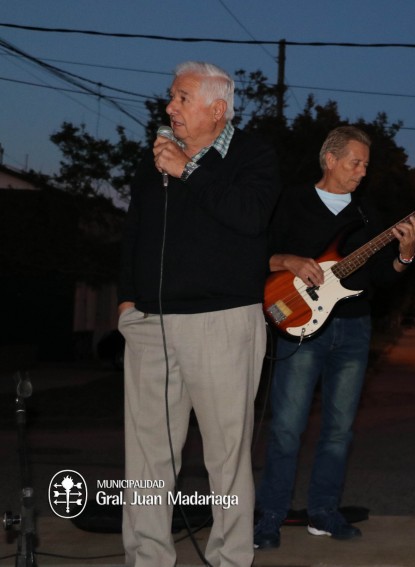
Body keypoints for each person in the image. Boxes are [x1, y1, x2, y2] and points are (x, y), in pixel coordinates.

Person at [117, 61, 281, 567]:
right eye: (171, 97)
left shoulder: (254, 155)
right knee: (147, 459)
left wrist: (187, 168)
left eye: (181, 99)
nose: (169, 108)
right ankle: (147, 557)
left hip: (222, 324)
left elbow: (250, 217)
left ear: (217, 109)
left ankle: (230, 558)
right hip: (151, 325)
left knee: (225, 458)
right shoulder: (157, 160)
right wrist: (127, 299)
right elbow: (135, 230)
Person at [253, 126, 415, 549]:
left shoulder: (368, 214)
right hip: (301, 325)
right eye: (355, 162)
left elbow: (383, 277)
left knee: (339, 430)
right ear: (330, 159)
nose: (363, 171)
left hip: (354, 326)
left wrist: (405, 255)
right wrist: (288, 261)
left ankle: (324, 512)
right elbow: (257, 254)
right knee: (287, 427)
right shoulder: (290, 201)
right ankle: (269, 518)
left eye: (366, 164)